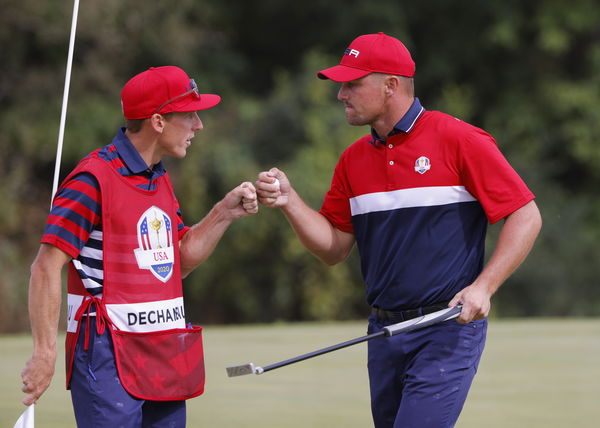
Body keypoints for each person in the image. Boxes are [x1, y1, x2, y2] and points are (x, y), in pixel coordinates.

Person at [256, 32, 542, 428]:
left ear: (390, 85)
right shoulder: (352, 160)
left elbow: (525, 214)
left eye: (353, 83)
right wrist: (289, 201)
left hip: (446, 328)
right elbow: (333, 248)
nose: (341, 94)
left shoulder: (459, 139)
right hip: (383, 332)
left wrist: (484, 287)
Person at [20, 65, 258, 427]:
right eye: (190, 115)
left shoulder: (158, 176)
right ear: (158, 121)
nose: (199, 125)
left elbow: (178, 261)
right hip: (106, 356)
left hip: (162, 352)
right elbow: (46, 265)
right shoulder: (92, 179)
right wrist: (44, 353)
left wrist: (224, 212)